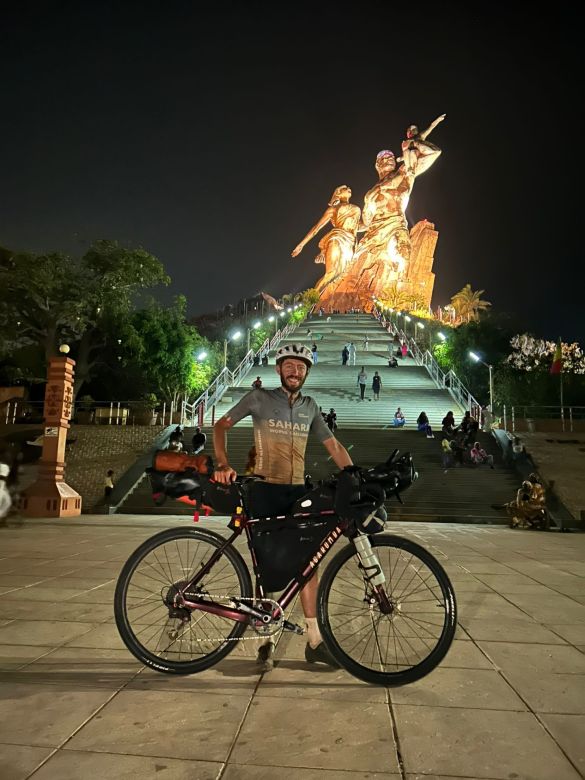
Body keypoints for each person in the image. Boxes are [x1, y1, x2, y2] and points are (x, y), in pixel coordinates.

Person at [213, 342, 353, 672]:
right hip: (263, 489)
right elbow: (221, 426)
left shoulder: (310, 406)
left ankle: (315, 641)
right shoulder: (260, 398)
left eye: (301, 367)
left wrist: (354, 474)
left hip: (297, 492)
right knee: (266, 565)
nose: (295, 371)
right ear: (278, 369)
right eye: (289, 365)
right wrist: (222, 462)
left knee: (309, 564)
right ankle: (265, 643)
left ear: (307, 372)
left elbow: (332, 444)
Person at [292, 185, 361, 294]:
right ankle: (312, 302)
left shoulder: (357, 208)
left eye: (348, 187)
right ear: (338, 193)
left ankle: (335, 301)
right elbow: (316, 228)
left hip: (350, 242)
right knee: (331, 273)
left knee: (346, 273)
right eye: (344, 188)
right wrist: (301, 245)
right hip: (337, 239)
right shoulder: (333, 209)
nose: (348, 188)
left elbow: (359, 226)